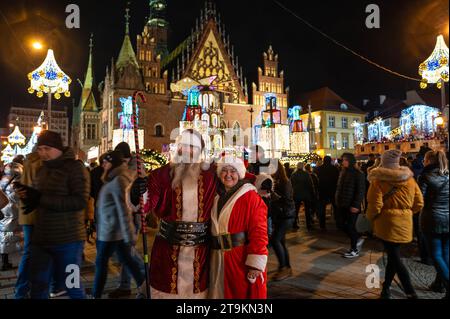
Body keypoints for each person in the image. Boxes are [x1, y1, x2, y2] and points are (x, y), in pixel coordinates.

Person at [14, 130, 90, 299]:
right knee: (39, 286)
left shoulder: (75, 168)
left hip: (69, 241)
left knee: (72, 286)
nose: (42, 153)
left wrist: (40, 198)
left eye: (47, 148)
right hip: (42, 240)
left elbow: (79, 201)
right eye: (40, 149)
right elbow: (40, 200)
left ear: (58, 148)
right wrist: (28, 198)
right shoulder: (42, 170)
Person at [145, 129, 217, 298]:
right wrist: (138, 195)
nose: (186, 150)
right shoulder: (160, 175)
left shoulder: (211, 174)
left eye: (192, 146)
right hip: (167, 251)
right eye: (183, 145)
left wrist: (260, 181)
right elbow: (146, 206)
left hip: (200, 252)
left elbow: (235, 175)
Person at [367, 149, 424, 299]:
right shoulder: (410, 180)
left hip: (386, 224)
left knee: (395, 258)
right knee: (393, 255)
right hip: (404, 223)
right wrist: (407, 213)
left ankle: (410, 291)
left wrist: (371, 218)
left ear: (383, 163)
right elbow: (419, 203)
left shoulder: (378, 181)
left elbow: (374, 205)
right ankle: (386, 288)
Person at [209, 156, 268, 298]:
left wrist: (255, 263)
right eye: (224, 170)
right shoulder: (217, 197)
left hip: (239, 259)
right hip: (217, 258)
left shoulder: (250, 197)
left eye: (233, 171)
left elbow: (259, 231)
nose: (228, 174)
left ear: (240, 174)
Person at [92, 151, 146, 298]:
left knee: (102, 264)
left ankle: (96, 295)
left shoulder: (118, 181)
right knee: (129, 262)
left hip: (112, 232)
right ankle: (145, 287)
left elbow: (124, 209)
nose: (103, 164)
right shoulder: (113, 179)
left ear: (113, 164)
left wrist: (129, 234)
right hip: (110, 231)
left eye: (106, 162)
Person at [108, 143, 146, 298]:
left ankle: (146, 279)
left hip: (132, 214)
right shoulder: (126, 167)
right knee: (125, 251)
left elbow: (135, 189)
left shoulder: (135, 167)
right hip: (122, 214)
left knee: (127, 251)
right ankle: (125, 285)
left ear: (126, 157)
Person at [418, 150, 449, 299]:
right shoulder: (448, 175)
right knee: (446, 254)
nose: (423, 162)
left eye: (424, 159)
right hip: (448, 218)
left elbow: (419, 200)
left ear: (429, 161)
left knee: (436, 255)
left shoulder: (425, 176)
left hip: (432, 219)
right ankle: (439, 284)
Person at [14, 150, 41, 299]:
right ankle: (22, 290)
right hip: (35, 213)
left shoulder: (28, 162)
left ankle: (23, 289)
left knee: (30, 252)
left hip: (26, 214)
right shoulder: (39, 163)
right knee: (31, 252)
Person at [335, 153, 365, 258]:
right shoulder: (343, 172)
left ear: (350, 161)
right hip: (342, 204)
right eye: (342, 160)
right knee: (340, 224)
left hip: (352, 205)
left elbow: (360, 191)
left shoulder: (358, 174)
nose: (343, 162)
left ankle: (354, 249)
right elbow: (339, 189)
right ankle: (357, 238)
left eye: (345, 160)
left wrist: (356, 205)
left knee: (350, 226)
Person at [270, 161, 295, 281]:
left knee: (275, 240)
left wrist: (271, 194)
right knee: (281, 241)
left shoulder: (285, 182)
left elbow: (287, 199)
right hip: (280, 216)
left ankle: (284, 267)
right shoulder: (276, 181)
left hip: (286, 215)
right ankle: (286, 268)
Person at [0, 162, 23, 271]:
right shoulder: (17, 183)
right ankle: (5, 260)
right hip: (13, 210)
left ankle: (5, 259)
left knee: (5, 232)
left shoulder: (2, 180)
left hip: (4, 208)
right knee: (10, 232)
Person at [316, 156, 340, 230]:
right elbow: (337, 179)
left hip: (322, 190)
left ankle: (322, 224)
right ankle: (338, 222)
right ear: (330, 161)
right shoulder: (335, 169)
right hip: (332, 189)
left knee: (322, 208)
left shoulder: (318, 169)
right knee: (335, 207)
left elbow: (316, 180)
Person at [290, 162, 315, 231]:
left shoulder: (293, 175)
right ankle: (308, 224)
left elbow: (291, 185)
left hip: (297, 194)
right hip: (306, 194)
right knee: (307, 210)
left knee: (296, 210)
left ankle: (294, 223)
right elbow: (310, 184)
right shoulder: (306, 174)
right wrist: (313, 193)